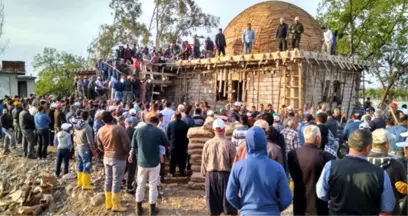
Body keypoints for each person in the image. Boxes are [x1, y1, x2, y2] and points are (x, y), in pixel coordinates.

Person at [316, 129, 396, 215]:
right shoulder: (380, 173)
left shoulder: (331, 166)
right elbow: (388, 207)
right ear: (368, 148)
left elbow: (321, 194)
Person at [226, 126, 292, 216]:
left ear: (247, 143)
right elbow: (287, 198)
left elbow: (230, 195)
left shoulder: (238, 167)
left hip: (248, 212)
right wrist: (275, 209)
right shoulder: (277, 167)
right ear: (265, 142)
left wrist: (244, 207)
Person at [288, 125, 335, 216]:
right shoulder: (326, 156)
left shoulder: (292, 154)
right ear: (318, 138)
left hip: (299, 200)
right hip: (318, 204)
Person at [131, 116, 168, 216]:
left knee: (140, 185)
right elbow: (166, 143)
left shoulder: (138, 131)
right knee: (153, 186)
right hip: (154, 163)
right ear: (156, 122)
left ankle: (138, 209)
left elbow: (133, 146)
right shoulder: (158, 131)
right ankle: (152, 210)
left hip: (142, 162)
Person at [201, 119, 237, 216]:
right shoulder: (229, 144)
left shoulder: (207, 144)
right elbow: (234, 163)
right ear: (224, 129)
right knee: (229, 207)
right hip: (226, 176)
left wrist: (205, 174)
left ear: (213, 130)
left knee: (213, 208)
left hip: (211, 176)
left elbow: (204, 161)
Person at [97, 111, 131, 212]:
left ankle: (108, 204)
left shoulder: (100, 130)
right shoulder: (119, 128)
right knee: (117, 181)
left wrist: (106, 151)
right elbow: (127, 145)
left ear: (102, 120)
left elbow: (99, 145)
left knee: (108, 179)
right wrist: (126, 153)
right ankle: (116, 205)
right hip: (119, 158)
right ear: (112, 117)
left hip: (106, 157)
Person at [368, 129, 407, 215]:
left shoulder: (363, 161)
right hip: (391, 211)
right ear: (386, 145)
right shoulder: (396, 165)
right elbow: (402, 192)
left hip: (366, 208)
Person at [74, 111, 95, 190]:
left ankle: (80, 182)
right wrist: (93, 150)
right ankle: (86, 184)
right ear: (88, 117)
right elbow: (90, 141)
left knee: (80, 164)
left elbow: (75, 137)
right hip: (85, 148)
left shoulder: (77, 126)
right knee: (87, 165)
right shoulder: (87, 127)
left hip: (78, 147)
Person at [167, 112, 189, 176]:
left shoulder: (171, 124)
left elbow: (168, 134)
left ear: (174, 117)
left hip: (174, 143)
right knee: (182, 158)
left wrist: (169, 142)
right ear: (180, 117)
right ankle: (182, 171)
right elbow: (187, 135)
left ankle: (172, 172)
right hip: (183, 144)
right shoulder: (185, 124)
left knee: (173, 159)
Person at [125, 118, 137, 194]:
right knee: (131, 171)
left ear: (126, 124)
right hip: (133, 153)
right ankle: (129, 186)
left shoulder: (123, 131)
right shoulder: (135, 131)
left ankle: (118, 182)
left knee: (124, 169)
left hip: (124, 153)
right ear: (132, 123)